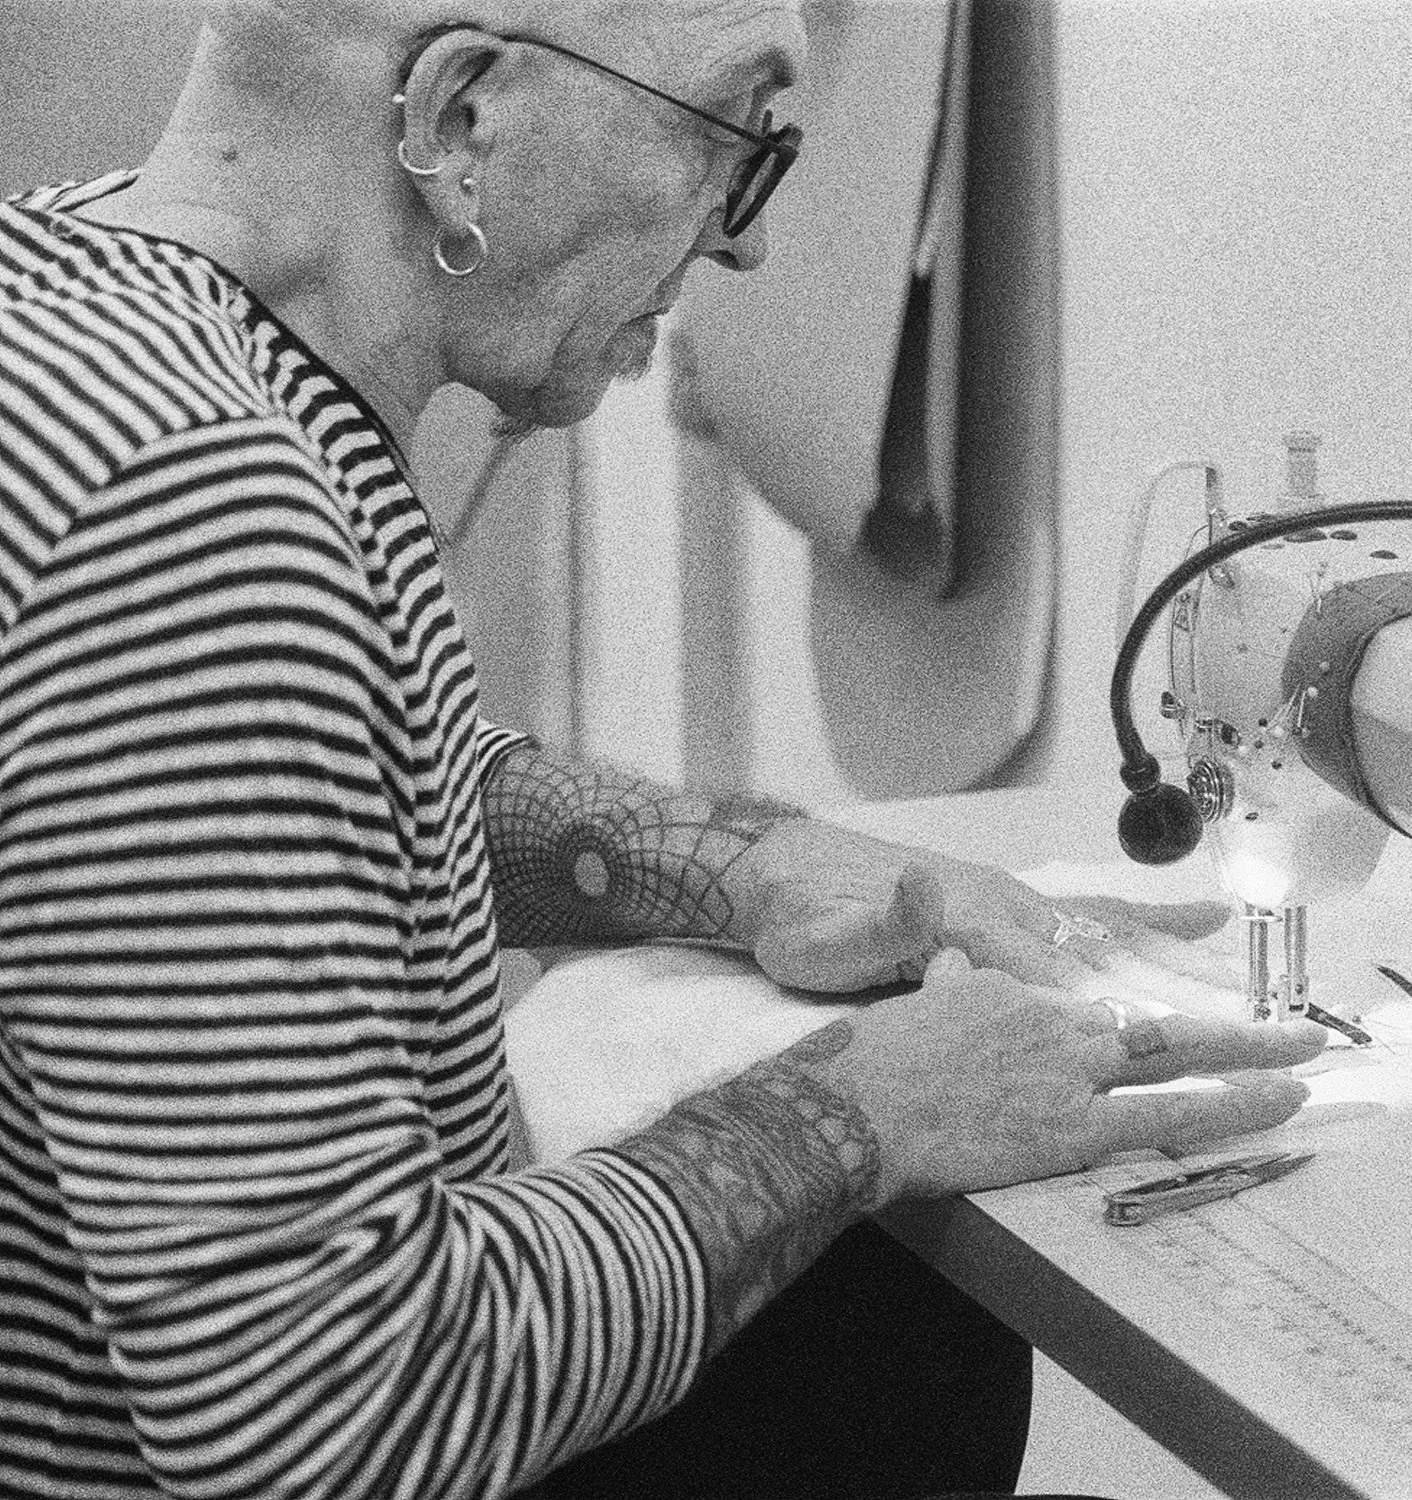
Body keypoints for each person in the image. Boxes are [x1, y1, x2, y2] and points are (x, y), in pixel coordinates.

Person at [0, 3, 1327, 1497]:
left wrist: (749, 867)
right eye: (732, 133)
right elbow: (328, 1421)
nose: (747, 243)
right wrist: (868, 1106)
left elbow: (315, 800)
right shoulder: (192, 518)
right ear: (457, 122)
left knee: (896, 1338)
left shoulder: (73, 305)